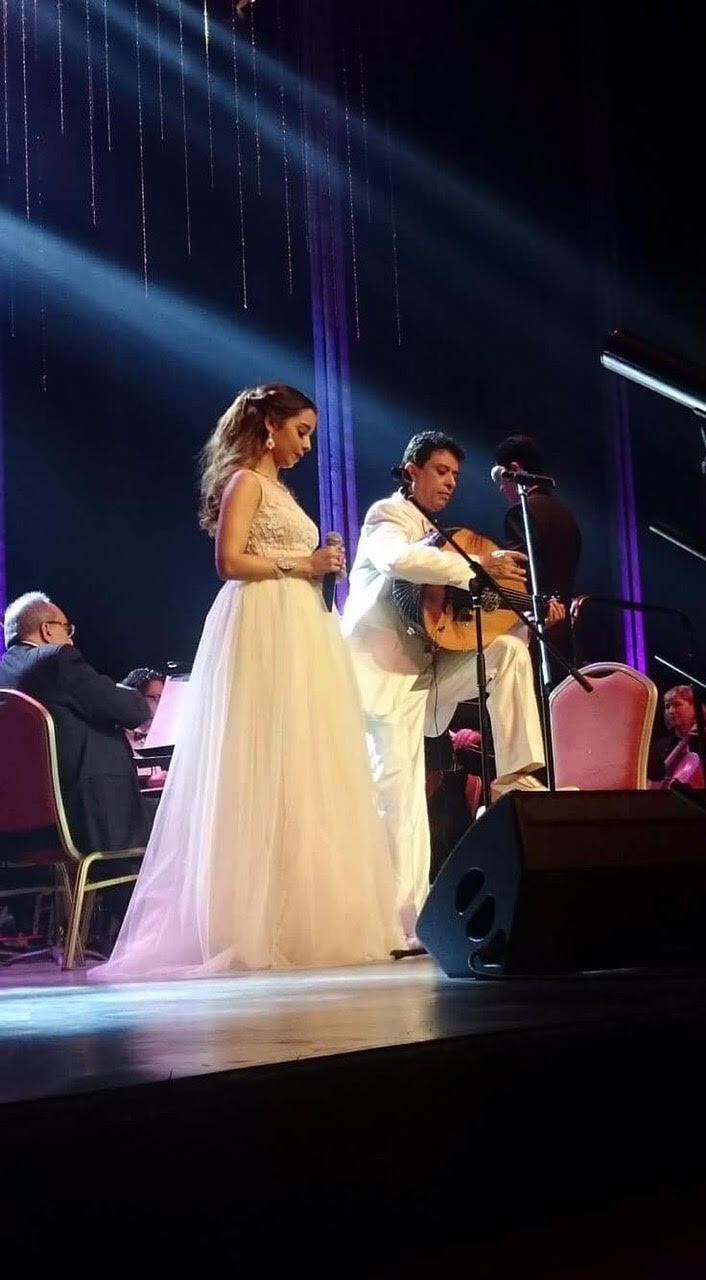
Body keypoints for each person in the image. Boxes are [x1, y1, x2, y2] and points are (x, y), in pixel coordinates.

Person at [91, 383, 402, 982]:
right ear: (269, 427)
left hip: (298, 623)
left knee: (303, 763)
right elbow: (229, 561)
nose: (306, 445)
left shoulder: (280, 490)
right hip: (263, 622)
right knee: (261, 760)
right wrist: (301, 563)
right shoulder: (246, 483)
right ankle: (248, 920)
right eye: (301, 431)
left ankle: (303, 912)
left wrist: (321, 566)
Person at [341, 431, 552, 947]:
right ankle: (401, 922)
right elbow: (399, 561)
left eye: (455, 475)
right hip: (381, 676)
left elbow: (453, 620)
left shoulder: (443, 534)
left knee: (507, 652)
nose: (451, 482)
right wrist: (478, 568)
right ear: (411, 470)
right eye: (441, 471)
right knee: (400, 796)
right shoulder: (386, 517)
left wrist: (520, 607)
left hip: (426, 675)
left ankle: (516, 778)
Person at [0, 592, 150, 853]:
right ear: (47, 630)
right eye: (66, 628)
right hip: (93, 820)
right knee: (188, 812)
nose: (71, 638)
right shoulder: (57, 660)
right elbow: (131, 710)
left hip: (22, 832)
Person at [494, 435, 581, 670]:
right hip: (565, 630)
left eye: (500, 479)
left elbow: (517, 576)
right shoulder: (566, 515)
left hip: (538, 626)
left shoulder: (520, 513)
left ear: (514, 469)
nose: (501, 487)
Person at [648, 684, 705, 788]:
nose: (670, 711)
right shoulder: (659, 746)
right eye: (667, 706)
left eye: (677, 705)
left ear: (695, 707)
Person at [121, 668, 166, 749]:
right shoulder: (116, 736)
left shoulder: (168, 734)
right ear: (136, 698)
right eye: (156, 698)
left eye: (162, 698)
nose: (160, 704)